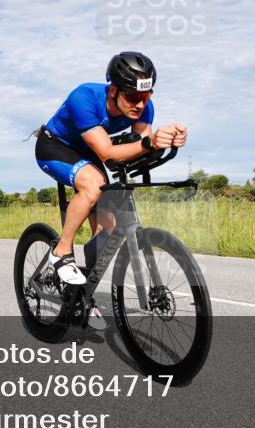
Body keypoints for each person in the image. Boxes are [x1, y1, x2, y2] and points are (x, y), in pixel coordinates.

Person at [35, 52, 186, 288]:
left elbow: (142, 147)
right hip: (55, 146)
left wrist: (167, 141)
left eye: (145, 96)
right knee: (93, 185)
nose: (140, 104)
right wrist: (149, 143)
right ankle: (61, 250)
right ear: (113, 90)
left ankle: (83, 293)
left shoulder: (145, 108)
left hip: (88, 150)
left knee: (107, 230)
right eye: (133, 96)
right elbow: (106, 152)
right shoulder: (84, 97)